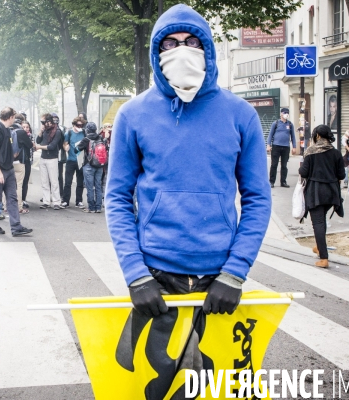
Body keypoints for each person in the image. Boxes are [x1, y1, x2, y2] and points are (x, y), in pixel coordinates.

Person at [106, 8, 271, 391]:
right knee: (155, 387)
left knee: (217, 387)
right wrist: (136, 275)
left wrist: (234, 272)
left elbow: (258, 199)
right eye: (171, 43)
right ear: (156, 53)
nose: (182, 51)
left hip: (220, 284)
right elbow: (116, 199)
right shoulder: (133, 115)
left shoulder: (241, 114)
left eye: (193, 42)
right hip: (155, 283)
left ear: (209, 50)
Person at [299, 125, 345, 268]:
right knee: (321, 220)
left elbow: (304, 172)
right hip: (331, 192)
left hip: (315, 191)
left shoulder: (310, 152)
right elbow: (341, 175)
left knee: (317, 223)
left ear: (317, 136)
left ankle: (324, 258)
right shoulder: (336, 153)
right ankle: (320, 247)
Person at [0, 107, 32, 237]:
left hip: (9, 169)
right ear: (11, 117)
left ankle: (16, 227)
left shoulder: (6, 130)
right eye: (14, 117)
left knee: (12, 198)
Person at [77, 122, 107, 213]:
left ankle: (91, 207)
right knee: (98, 186)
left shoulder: (86, 139)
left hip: (89, 165)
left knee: (90, 187)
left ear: (87, 130)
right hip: (100, 165)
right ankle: (98, 207)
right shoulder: (100, 138)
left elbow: (76, 150)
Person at [36, 113, 63, 210]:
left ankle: (56, 201)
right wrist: (40, 131)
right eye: (42, 122)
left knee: (54, 181)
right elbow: (38, 140)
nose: (43, 124)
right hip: (43, 158)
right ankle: (46, 201)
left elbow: (52, 146)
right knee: (44, 182)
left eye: (43, 122)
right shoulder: (45, 130)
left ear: (49, 122)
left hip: (52, 158)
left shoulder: (57, 131)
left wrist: (39, 147)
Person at [266, 108, 297, 188]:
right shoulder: (275, 123)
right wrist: (268, 145)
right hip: (276, 146)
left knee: (284, 165)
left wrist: (294, 147)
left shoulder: (290, 124)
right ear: (281, 114)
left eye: (287, 113)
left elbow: (293, 136)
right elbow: (270, 135)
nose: (286, 114)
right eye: (284, 113)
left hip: (286, 147)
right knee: (274, 165)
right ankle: (271, 181)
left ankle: (283, 182)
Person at [10, 113, 33, 214]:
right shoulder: (21, 132)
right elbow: (30, 145)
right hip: (20, 161)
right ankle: (19, 206)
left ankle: (6, 206)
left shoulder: (6, 129)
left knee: (8, 185)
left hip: (7, 162)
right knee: (19, 184)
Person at [62, 116, 86, 208]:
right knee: (68, 182)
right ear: (73, 125)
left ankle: (79, 201)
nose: (80, 126)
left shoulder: (84, 133)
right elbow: (65, 143)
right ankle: (65, 201)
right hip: (71, 160)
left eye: (81, 125)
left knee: (80, 182)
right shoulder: (69, 133)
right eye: (78, 125)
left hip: (81, 160)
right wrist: (66, 147)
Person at [52, 113, 66, 199]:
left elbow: (64, 141)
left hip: (59, 155)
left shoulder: (61, 129)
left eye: (56, 119)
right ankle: (49, 194)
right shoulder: (47, 129)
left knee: (59, 176)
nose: (55, 120)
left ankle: (61, 193)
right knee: (50, 176)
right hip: (50, 156)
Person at [21, 120, 34, 208]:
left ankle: (23, 199)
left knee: (25, 181)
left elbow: (32, 147)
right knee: (18, 181)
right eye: (24, 127)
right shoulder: (18, 135)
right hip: (20, 160)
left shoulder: (30, 136)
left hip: (28, 160)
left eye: (27, 127)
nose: (25, 129)